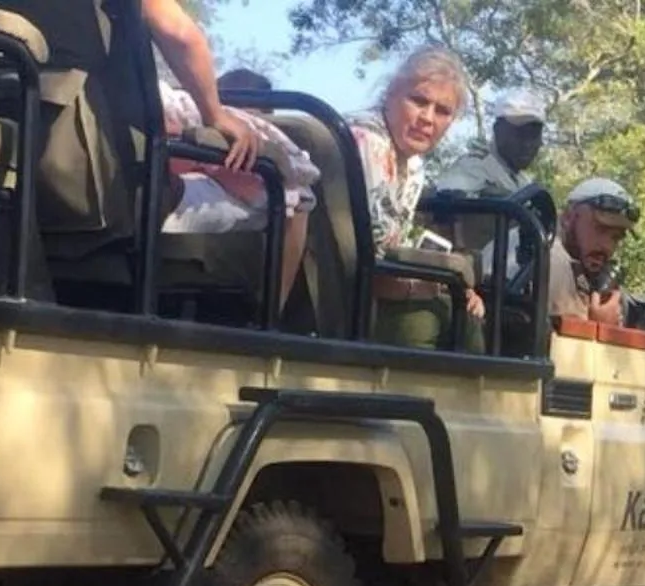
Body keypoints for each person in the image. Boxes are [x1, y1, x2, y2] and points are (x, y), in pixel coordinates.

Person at [143, 1, 319, 313]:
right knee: (296, 198)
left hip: (106, 169)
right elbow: (180, 34)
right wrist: (215, 117)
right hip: (149, 188)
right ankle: (270, 318)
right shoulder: (192, 116)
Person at [348, 47, 484, 347]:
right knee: (432, 321)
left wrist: (453, 285)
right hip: (344, 295)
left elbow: (393, 245)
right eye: (419, 101)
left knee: (467, 312)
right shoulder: (368, 143)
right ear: (391, 94)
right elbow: (373, 265)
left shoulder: (412, 164)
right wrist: (432, 287)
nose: (427, 118)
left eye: (443, 111)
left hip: (372, 291)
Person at [430, 88, 545, 262]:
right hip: (483, 277)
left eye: (534, 135)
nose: (528, 144)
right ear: (498, 130)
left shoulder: (525, 184)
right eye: (520, 134)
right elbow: (442, 212)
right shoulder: (473, 167)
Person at [548, 177, 638, 326]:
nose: (607, 247)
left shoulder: (568, 256)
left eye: (615, 238)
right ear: (569, 217)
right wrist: (602, 326)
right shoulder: (554, 262)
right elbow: (568, 346)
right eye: (600, 229)